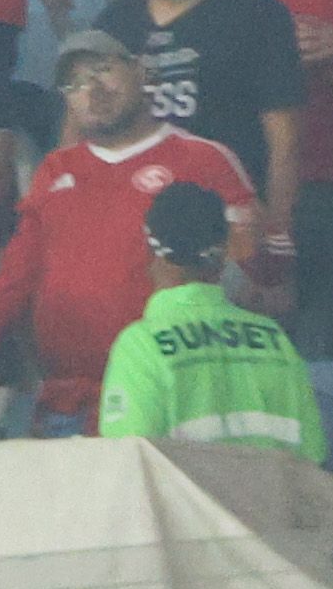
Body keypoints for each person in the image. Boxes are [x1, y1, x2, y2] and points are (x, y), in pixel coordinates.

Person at [91, 178, 320, 445]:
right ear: (224, 255)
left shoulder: (142, 346)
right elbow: (313, 453)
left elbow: (131, 462)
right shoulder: (275, 340)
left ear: (148, 251)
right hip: (270, 488)